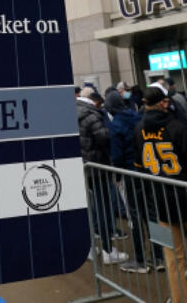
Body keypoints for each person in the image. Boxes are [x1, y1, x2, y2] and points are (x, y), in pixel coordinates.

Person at [134, 86, 187, 303]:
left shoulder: (137, 130)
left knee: (174, 260)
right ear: (164, 103)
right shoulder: (178, 127)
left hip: (160, 200)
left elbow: (138, 168)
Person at [106, 92, 164, 274]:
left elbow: (117, 155)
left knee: (135, 215)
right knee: (153, 212)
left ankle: (140, 260)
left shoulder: (116, 125)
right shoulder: (138, 116)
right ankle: (160, 255)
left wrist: (117, 175)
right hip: (147, 170)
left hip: (130, 172)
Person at [77, 87, 128, 265]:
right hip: (98, 168)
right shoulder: (92, 115)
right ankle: (108, 249)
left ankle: (90, 247)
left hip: (83, 169)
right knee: (104, 208)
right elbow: (104, 138)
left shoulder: (71, 112)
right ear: (93, 99)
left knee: (89, 208)